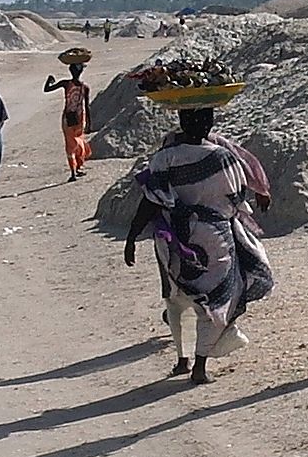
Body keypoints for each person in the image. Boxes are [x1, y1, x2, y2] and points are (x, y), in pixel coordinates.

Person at [124, 108, 273, 384]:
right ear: (210, 123)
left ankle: (183, 359)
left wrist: (132, 237)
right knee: (216, 299)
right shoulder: (223, 157)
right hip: (213, 238)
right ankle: (200, 366)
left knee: (176, 298)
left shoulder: (163, 158)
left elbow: (150, 200)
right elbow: (237, 197)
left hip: (172, 239)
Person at [44, 62, 92, 182]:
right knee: (79, 141)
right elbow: (87, 105)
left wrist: (49, 80)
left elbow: (47, 89)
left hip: (68, 118)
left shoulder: (66, 84)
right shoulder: (84, 87)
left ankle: (73, 172)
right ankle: (79, 166)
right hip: (80, 118)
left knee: (69, 144)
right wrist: (89, 122)